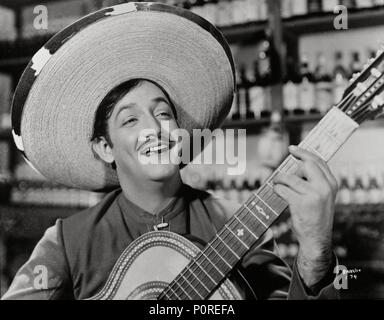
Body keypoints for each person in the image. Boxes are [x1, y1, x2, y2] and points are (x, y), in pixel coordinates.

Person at [2, 2, 339, 300]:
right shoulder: (68, 241)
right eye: (130, 120)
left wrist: (315, 252)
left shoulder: (239, 225)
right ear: (106, 148)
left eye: (163, 113)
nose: (153, 128)